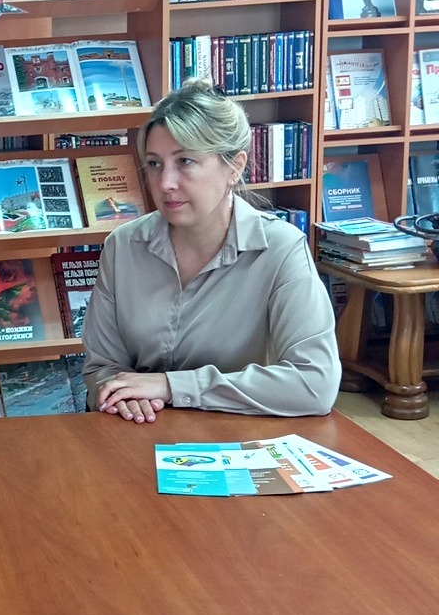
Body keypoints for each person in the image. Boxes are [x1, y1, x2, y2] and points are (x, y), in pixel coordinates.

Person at [81, 80, 340, 424]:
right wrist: (120, 395)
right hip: (137, 429)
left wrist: (171, 386)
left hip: (238, 434)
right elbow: (101, 368)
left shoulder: (280, 249)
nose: (165, 183)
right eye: (154, 164)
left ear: (235, 167)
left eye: (185, 161)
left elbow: (316, 383)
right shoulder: (123, 245)